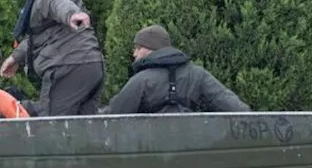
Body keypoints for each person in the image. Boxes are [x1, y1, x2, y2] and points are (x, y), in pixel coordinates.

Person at [0, 0, 105, 116]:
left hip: (67, 66)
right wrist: (16, 57)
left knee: (51, 128)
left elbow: (57, 2)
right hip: (91, 65)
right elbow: (42, 33)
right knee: (85, 131)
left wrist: (72, 14)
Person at [106, 24, 250, 114]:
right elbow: (233, 106)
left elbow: (114, 114)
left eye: (138, 48)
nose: (134, 54)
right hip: (192, 152)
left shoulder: (141, 80)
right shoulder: (198, 74)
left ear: (150, 49)